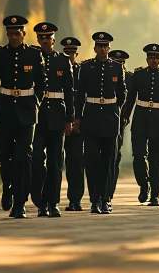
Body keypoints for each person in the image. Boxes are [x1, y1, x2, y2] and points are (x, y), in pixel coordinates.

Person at [0, 15, 46, 219]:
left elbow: (42, 83)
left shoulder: (33, 54)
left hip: (26, 111)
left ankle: (20, 203)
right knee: (4, 155)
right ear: (7, 34)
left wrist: (35, 103)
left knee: (23, 156)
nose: (14, 37)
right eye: (10, 34)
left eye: (17, 33)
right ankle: (7, 186)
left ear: (23, 34)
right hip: (5, 110)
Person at [74, 32, 126, 214]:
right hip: (91, 117)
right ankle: (94, 198)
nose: (103, 49)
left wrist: (113, 110)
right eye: (99, 46)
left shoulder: (117, 68)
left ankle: (105, 199)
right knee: (91, 160)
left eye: (105, 46)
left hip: (110, 119)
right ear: (95, 48)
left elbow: (122, 95)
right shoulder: (86, 67)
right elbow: (79, 94)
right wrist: (78, 117)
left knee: (108, 161)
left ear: (109, 49)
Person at [121, 43, 159, 205]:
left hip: (158, 120)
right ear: (147, 59)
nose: (153, 60)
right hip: (140, 118)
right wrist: (126, 115)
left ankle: (155, 195)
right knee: (138, 155)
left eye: (156, 57)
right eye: (150, 57)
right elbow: (131, 97)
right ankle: (144, 184)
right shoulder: (139, 75)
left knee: (155, 158)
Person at [30, 22, 73, 218]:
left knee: (55, 162)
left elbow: (70, 93)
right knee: (37, 159)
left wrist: (70, 119)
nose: (45, 41)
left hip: (57, 115)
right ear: (38, 39)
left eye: (48, 38)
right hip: (38, 117)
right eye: (41, 37)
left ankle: (52, 202)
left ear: (54, 40)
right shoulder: (31, 57)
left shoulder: (63, 61)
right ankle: (39, 199)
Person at [61, 37, 85, 211]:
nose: (69, 55)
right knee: (59, 161)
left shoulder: (82, 72)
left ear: (76, 54)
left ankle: (75, 198)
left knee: (75, 161)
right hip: (57, 118)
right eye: (66, 52)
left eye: (72, 53)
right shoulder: (56, 68)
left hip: (76, 122)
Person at [108, 49, 133, 205]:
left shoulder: (130, 78)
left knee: (115, 157)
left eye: (121, 63)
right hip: (105, 118)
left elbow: (129, 101)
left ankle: (109, 191)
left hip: (121, 121)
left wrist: (126, 117)